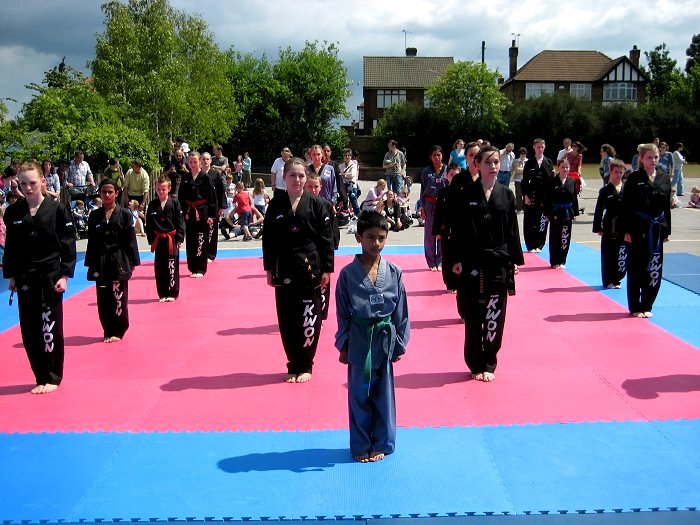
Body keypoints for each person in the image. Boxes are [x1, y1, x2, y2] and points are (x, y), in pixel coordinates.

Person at [335, 210, 410, 463]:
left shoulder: (394, 272)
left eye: (381, 238)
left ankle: (382, 442)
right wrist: (343, 344)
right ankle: (360, 444)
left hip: (385, 338)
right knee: (359, 394)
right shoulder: (347, 274)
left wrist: (399, 344)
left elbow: (401, 311)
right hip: (358, 338)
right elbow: (342, 312)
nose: (375, 243)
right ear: (358, 238)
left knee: (384, 395)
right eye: (370, 237)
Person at [451, 146, 524, 382]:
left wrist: (514, 260)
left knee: (495, 313)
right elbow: (458, 231)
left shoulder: (506, 194)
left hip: (498, 262)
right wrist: (456, 260)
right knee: (473, 315)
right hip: (473, 260)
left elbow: (512, 231)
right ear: (478, 166)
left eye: (496, 162)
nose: (493, 167)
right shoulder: (466, 194)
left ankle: (489, 362)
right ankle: (474, 362)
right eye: (488, 162)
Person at [2, 162, 77, 394]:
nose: (28, 188)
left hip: (50, 276)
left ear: (43, 182)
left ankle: (53, 376)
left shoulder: (56, 209)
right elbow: (12, 248)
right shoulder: (14, 212)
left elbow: (67, 244)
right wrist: (11, 275)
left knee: (50, 327)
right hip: (25, 277)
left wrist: (65, 275)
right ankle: (40, 375)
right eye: (23, 184)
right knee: (29, 331)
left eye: (32, 183)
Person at [262, 157, 334, 383]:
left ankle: (306, 364)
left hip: (310, 267)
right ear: (284, 177)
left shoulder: (318, 204)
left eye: (301, 175)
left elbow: (326, 240)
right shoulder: (276, 204)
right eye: (293, 175)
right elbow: (269, 239)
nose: (298, 179)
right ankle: (292, 363)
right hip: (283, 267)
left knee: (308, 317)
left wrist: (327, 269)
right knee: (286, 318)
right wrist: (268, 268)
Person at [85, 178, 140, 343]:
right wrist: (91, 263)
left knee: (118, 295)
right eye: (104, 192)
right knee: (103, 298)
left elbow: (130, 240)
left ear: (116, 194)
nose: (107, 195)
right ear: (100, 194)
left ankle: (119, 329)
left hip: (119, 260)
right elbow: (92, 241)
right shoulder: (94, 215)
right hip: (101, 261)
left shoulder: (124, 214)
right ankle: (107, 329)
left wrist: (132, 262)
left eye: (110, 192)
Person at [620, 143, 671, 318]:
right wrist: (626, 230)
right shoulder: (634, 178)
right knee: (636, 268)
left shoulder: (664, 178)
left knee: (654, 267)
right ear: (641, 159)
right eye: (649, 157)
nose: (653, 160)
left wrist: (666, 230)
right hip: (637, 228)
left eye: (656, 157)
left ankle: (648, 303)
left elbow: (666, 207)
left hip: (656, 228)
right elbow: (626, 206)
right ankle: (635, 306)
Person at [305, 171, 340, 321]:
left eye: (316, 187)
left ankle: (322, 314)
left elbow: (333, 229)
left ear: (321, 187)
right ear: (305, 187)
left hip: (323, 251)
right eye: (310, 186)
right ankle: (308, 312)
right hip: (307, 252)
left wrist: (332, 248)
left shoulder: (327, 205)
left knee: (323, 284)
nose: (313, 190)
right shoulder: (300, 205)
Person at [146, 176, 185, 302]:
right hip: (158, 238)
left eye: (163, 189)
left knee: (172, 265)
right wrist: (151, 239)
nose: (161, 192)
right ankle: (162, 293)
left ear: (169, 189)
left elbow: (180, 222)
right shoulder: (152, 205)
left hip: (171, 239)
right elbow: (149, 224)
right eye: (158, 189)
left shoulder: (174, 203)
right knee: (160, 267)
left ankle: (172, 292)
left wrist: (179, 239)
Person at [178, 152, 217, 277]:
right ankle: (192, 267)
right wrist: (182, 213)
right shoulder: (185, 178)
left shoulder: (205, 177)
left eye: (195, 162)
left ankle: (200, 269)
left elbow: (212, 198)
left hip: (202, 212)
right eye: (190, 162)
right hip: (189, 212)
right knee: (190, 240)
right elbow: (181, 197)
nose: (193, 164)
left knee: (201, 240)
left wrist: (212, 215)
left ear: (199, 162)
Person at [592, 159, 627, 288]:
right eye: (616, 172)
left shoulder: (626, 189)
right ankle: (608, 280)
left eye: (621, 172)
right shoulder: (605, 190)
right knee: (609, 254)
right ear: (611, 172)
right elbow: (599, 210)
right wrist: (597, 227)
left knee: (621, 253)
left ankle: (618, 279)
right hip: (609, 225)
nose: (618, 175)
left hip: (623, 225)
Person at [419, 145, 449, 271]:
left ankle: (441, 261)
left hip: (444, 206)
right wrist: (422, 207)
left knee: (442, 233)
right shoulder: (426, 172)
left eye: (439, 155)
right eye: (434, 155)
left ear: (442, 156)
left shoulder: (448, 170)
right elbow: (422, 191)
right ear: (430, 157)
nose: (436, 157)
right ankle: (431, 262)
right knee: (430, 235)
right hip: (429, 205)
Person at [545, 159, 579, 269]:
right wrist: (547, 213)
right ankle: (554, 261)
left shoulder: (572, 181)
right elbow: (547, 199)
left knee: (565, 236)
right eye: (563, 167)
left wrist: (575, 213)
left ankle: (562, 261)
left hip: (567, 212)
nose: (565, 169)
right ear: (558, 168)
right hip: (555, 211)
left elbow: (574, 198)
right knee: (555, 236)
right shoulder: (552, 181)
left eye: (567, 167)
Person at [432, 163, 460, 293]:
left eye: (456, 175)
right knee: (447, 257)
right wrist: (437, 230)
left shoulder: (466, 192)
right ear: (447, 176)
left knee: (460, 256)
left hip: (461, 230)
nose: (454, 177)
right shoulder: (443, 193)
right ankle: (450, 283)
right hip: (446, 230)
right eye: (451, 175)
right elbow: (437, 213)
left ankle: (461, 282)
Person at [522, 138, 553, 252]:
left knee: (542, 221)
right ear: (534, 147)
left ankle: (539, 244)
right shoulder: (529, 163)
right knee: (530, 221)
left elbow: (551, 181)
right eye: (538, 147)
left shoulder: (548, 162)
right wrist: (525, 195)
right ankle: (530, 245)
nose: (540, 149)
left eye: (542, 147)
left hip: (544, 198)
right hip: (531, 196)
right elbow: (524, 181)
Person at [201, 152, 227, 262]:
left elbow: (221, 191)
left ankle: (211, 254)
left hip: (213, 206)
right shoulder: (198, 174)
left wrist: (221, 206)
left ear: (210, 161)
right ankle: (201, 253)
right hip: (201, 207)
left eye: (207, 159)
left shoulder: (215, 174)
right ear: (200, 161)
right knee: (202, 231)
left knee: (212, 231)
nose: (205, 161)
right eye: (203, 159)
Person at [339, 148, 361, 216]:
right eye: (345, 155)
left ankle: (359, 215)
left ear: (351, 156)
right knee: (343, 201)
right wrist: (345, 175)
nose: (347, 157)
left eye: (349, 155)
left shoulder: (353, 165)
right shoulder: (341, 165)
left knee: (353, 201)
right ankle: (344, 215)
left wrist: (344, 174)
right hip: (343, 185)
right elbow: (339, 174)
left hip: (352, 185)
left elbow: (352, 174)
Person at [511, 147, 527, 213]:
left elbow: (530, 171)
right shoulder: (516, 161)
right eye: (521, 154)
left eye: (524, 154)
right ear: (519, 154)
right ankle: (519, 208)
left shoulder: (528, 161)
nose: (523, 155)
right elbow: (517, 170)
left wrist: (522, 169)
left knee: (525, 194)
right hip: (518, 180)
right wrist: (525, 170)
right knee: (518, 195)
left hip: (525, 180)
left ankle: (525, 208)